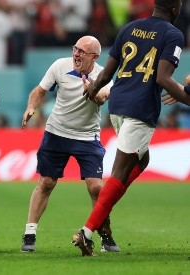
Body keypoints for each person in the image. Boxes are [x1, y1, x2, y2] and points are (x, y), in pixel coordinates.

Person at [72, 0, 190, 256]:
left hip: (117, 105)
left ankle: (102, 209)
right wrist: (187, 98)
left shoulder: (130, 28)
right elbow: (162, 78)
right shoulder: (173, 34)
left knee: (142, 160)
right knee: (119, 174)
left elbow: (107, 74)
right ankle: (87, 231)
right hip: (140, 110)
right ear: (174, 8)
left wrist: (92, 89)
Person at [20, 35, 120, 253]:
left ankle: (105, 236)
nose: (76, 53)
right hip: (56, 132)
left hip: (87, 136)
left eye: (82, 51)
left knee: (96, 187)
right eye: (75, 49)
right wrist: (31, 106)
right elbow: (39, 91)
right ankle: (29, 233)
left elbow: (103, 97)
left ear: (94, 57)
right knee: (46, 182)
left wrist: (92, 89)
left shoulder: (104, 75)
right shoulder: (59, 66)